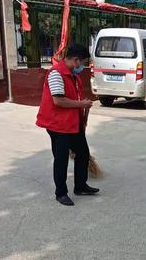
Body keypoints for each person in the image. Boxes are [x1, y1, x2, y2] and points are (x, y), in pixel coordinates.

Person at [36, 44, 99, 206]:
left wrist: (81, 115)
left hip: (73, 123)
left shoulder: (73, 75)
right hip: (57, 124)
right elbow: (59, 101)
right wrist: (81, 104)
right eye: (84, 62)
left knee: (83, 154)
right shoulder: (56, 74)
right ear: (76, 60)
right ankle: (61, 193)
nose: (83, 66)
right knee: (61, 159)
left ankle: (80, 186)